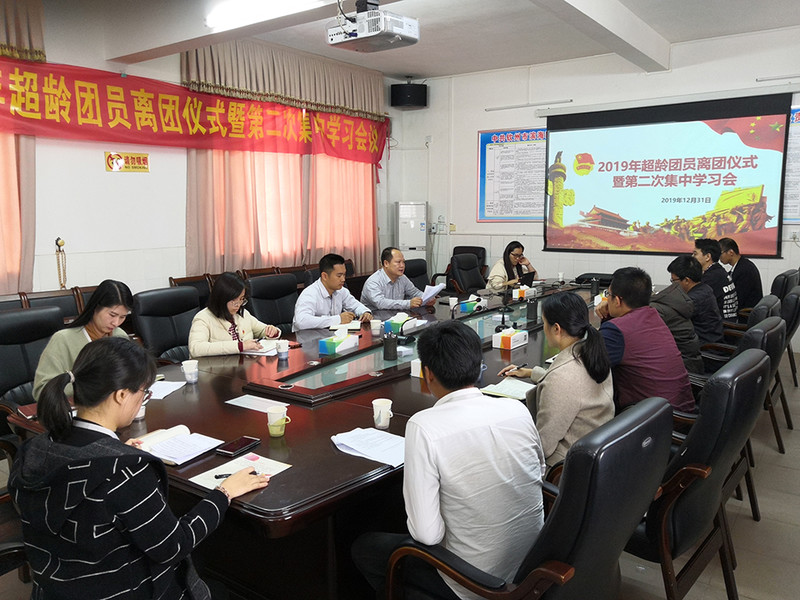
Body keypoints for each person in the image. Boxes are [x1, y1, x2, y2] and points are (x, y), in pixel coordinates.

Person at [9, 337, 269, 600]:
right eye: (144, 392)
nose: (143, 400)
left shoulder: (33, 450)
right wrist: (224, 493)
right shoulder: (126, 471)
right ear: (121, 395)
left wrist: (114, 450)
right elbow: (173, 545)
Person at [352, 320, 544, 599]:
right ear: (479, 366)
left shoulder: (424, 426)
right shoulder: (517, 409)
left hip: (474, 583)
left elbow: (427, 536)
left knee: (365, 547)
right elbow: (538, 472)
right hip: (530, 568)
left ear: (427, 374)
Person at [498, 291, 614, 467]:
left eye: (544, 323)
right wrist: (530, 373)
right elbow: (575, 384)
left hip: (563, 467)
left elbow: (543, 447)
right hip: (595, 452)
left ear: (556, 329)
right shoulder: (593, 353)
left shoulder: (561, 378)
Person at [597, 267, 695, 412]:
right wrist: (610, 315)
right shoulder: (653, 315)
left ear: (617, 300)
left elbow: (592, 366)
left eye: (608, 294)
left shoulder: (617, 331)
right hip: (680, 410)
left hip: (655, 418)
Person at [33, 279, 132, 401]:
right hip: (77, 407)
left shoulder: (120, 336)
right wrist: (89, 387)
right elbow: (42, 390)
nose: (116, 323)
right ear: (95, 307)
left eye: (122, 317)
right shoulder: (63, 339)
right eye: (112, 315)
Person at [188, 271, 280, 357]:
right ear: (221, 298)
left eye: (241, 299)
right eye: (233, 300)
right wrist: (240, 346)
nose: (238, 305)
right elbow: (196, 348)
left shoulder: (242, 314)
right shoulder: (203, 318)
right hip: (217, 368)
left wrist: (272, 331)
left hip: (243, 365)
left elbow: (262, 330)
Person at [292, 253, 372, 331]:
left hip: (331, 336)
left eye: (344, 275)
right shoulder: (310, 294)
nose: (343, 279)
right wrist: (338, 319)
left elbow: (355, 306)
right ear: (324, 276)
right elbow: (301, 321)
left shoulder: (341, 290)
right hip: (309, 338)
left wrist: (365, 313)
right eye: (339, 276)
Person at [650, 277, 704, 374]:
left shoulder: (656, 311)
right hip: (692, 361)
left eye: (673, 280)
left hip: (682, 369)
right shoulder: (677, 302)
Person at [668, 255, 724, 345]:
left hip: (704, 346)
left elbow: (670, 317)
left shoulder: (692, 300)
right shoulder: (705, 288)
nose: (672, 284)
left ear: (687, 280)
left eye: (674, 281)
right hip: (710, 339)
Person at [361, 247, 435, 311]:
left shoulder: (402, 278)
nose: (402, 266)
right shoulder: (373, 281)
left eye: (403, 262)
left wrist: (427, 298)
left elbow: (414, 293)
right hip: (376, 319)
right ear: (386, 263)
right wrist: (408, 303)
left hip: (396, 317)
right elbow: (381, 303)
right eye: (398, 262)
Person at [693, 238, 738, 320]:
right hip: (726, 319)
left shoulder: (711, 278)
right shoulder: (717, 271)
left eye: (695, 254)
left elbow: (697, 304)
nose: (692, 257)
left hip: (722, 323)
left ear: (707, 257)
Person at [719, 237, 763, 309]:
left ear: (731, 252)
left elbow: (738, 299)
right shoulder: (740, 265)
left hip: (745, 312)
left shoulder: (745, 270)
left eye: (720, 253)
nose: (719, 257)